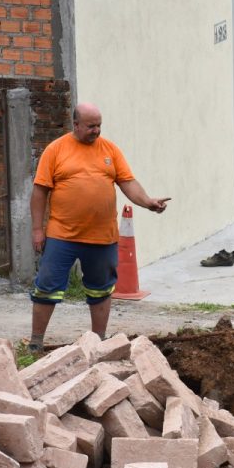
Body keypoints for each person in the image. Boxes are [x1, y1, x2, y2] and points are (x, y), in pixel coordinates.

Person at [28, 103, 170, 352]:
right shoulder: (56, 150)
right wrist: (37, 230)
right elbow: (39, 192)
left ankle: (99, 341)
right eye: (91, 126)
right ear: (76, 124)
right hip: (62, 234)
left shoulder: (110, 150)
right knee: (47, 286)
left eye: (99, 125)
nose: (96, 131)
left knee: (101, 289)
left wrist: (148, 202)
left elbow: (128, 182)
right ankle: (36, 342)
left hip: (102, 236)